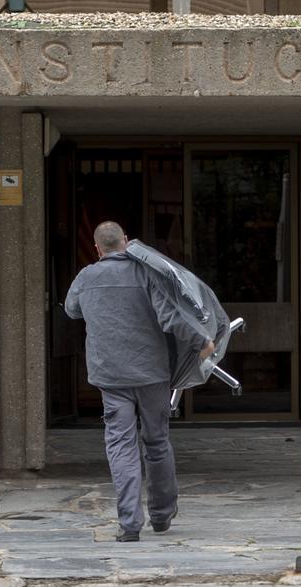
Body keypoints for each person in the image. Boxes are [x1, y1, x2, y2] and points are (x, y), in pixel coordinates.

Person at [64, 221, 215, 542]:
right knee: (157, 441)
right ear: (127, 242)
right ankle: (161, 515)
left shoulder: (86, 277)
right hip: (152, 373)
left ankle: (129, 524)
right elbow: (171, 316)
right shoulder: (146, 274)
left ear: (96, 248)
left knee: (120, 445)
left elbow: (72, 310)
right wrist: (202, 341)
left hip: (111, 374)